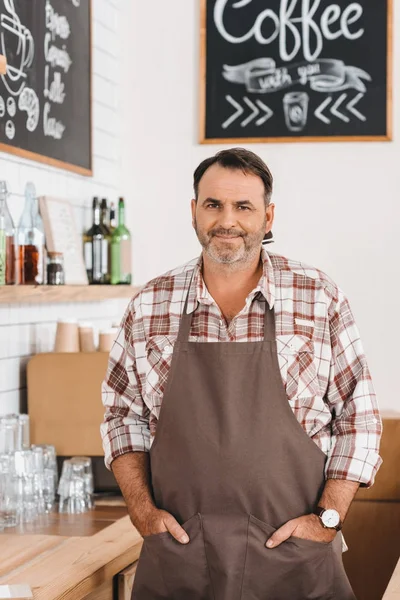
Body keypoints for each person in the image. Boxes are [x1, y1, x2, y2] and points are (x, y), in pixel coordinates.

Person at [101, 148, 382, 600]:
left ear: (268, 217)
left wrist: (327, 519)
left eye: (243, 206)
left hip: (295, 561)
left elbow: (359, 419)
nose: (226, 220)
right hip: (181, 561)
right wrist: (142, 511)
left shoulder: (318, 297)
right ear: (194, 211)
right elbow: (121, 417)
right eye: (213, 204)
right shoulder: (150, 304)